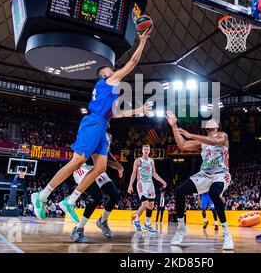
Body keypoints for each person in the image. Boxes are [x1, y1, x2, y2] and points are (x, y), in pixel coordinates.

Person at [31, 29, 151, 221]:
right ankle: (42, 195)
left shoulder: (109, 90)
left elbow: (116, 113)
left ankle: (71, 200)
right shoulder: (108, 80)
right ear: (104, 74)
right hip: (93, 122)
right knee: (77, 161)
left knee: (101, 167)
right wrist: (142, 41)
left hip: (101, 125)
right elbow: (133, 63)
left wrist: (139, 111)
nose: (114, 69)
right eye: (110, 69)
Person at [166, 110, 233, 250]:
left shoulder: (222, 135)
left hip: (220, 174)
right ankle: (181, 228)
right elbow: (182, 145)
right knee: (180, 191)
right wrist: (173, 126)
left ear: (217, 126)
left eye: (213, 121)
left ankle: (227, 233)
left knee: (214, 194)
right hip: (204, 174)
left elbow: (214, 141)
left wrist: (190, 135)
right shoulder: (201, 142)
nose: (209, 121)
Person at [70, 130, 124, 242]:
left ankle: (102, 221)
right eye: (107, 142)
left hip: (96, 168)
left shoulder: (105, 142)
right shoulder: (94, 139)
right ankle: (78, 229)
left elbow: (108, 155)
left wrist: (119, 166)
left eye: (109, 142)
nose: (108, 144)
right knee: (97, 197)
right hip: (83, 168)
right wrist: (117, 166)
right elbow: (99, 160)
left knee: (114, 195)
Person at [128, 144, 167, 233]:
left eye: (147, 149)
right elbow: (133, 173)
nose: (146, 150)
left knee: (151, 205)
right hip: (141, 183)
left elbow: (154, 173)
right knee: (145, 204)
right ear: (142, 151)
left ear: (149, 151)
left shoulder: (151, 161)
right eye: (145, 149)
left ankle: (147, 224)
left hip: (150, 184)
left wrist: (162, 181)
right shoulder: (138, 161)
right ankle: (136, 219)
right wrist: (130, 185)